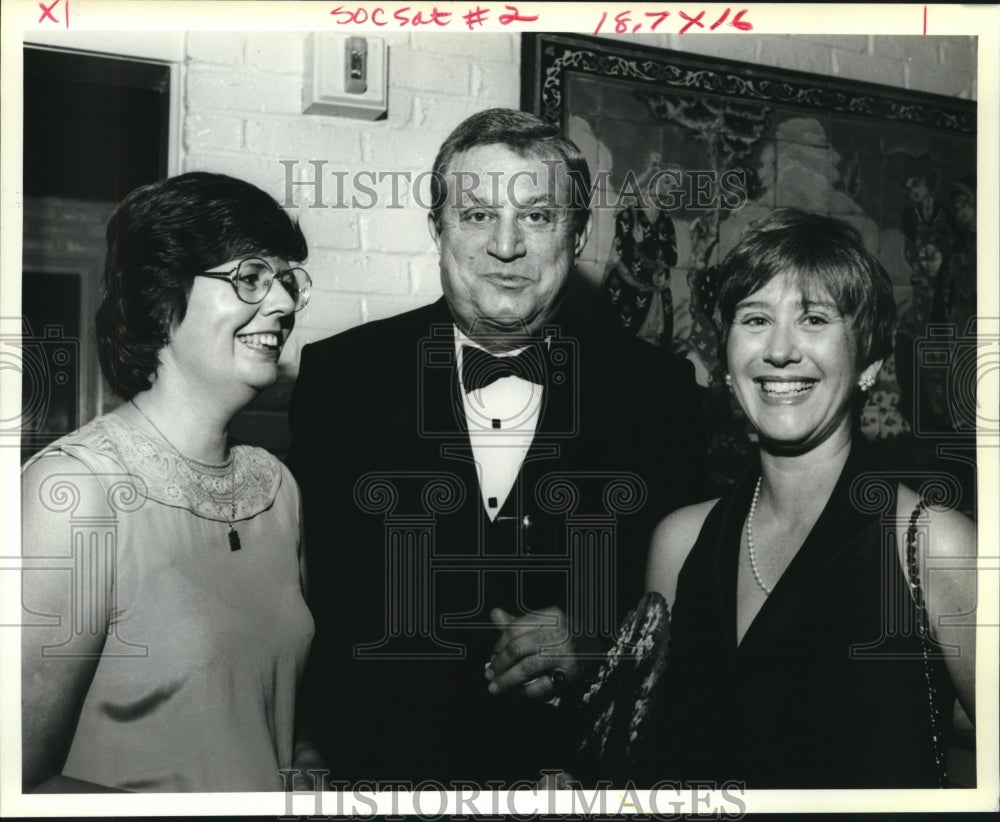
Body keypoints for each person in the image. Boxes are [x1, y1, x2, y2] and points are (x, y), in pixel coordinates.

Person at [288, 108, 707, 785]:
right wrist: (307, 739)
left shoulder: (659, 392)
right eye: (477, 215)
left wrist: (598, 647)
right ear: (438, 227)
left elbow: (696, 620)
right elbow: (309, 599)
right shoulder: (341, 380)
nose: (506, 246)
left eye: (538, 217)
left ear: (576, 233)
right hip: (381, 778)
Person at [645, 208, 976, 787]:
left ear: (870, 360)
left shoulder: (931, 543)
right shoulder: (680, 542)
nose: (779, 351)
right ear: (725, 358)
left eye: (815, 319)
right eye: (754, 319)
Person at [21, 172, 317, 792]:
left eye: (286, 280)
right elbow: (17, 782)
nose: (285, 304)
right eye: (251, 278)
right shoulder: (74, 495)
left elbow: (260, 713)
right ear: (160, 300)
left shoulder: (278, 489)